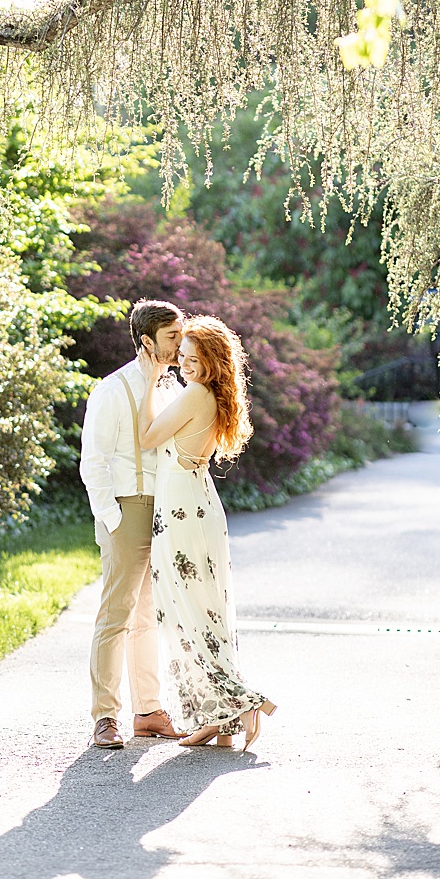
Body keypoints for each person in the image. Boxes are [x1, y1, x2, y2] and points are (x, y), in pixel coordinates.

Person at [135, 313, 276, 750]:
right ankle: (219, 719)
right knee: (203, 613)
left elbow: (146, 436)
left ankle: (240, 703)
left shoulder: (196, 394)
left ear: (212, 361)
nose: (184, 364)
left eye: (194, 358)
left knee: (188, 615)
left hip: (182, 511)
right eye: (182, 356)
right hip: (195, 505)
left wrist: (149, 377)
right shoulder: (211, 393)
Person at [78, 299, 190, 749]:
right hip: (125, 510)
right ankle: (105, 716)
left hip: (163, 510)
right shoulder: (112, 389)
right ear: (147, 341)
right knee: (116, 614)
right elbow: (94, 462)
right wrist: (112, 516)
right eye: (172, 338)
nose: (180, 345)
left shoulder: (171, 389)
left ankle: (148, 712)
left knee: (148, 616)